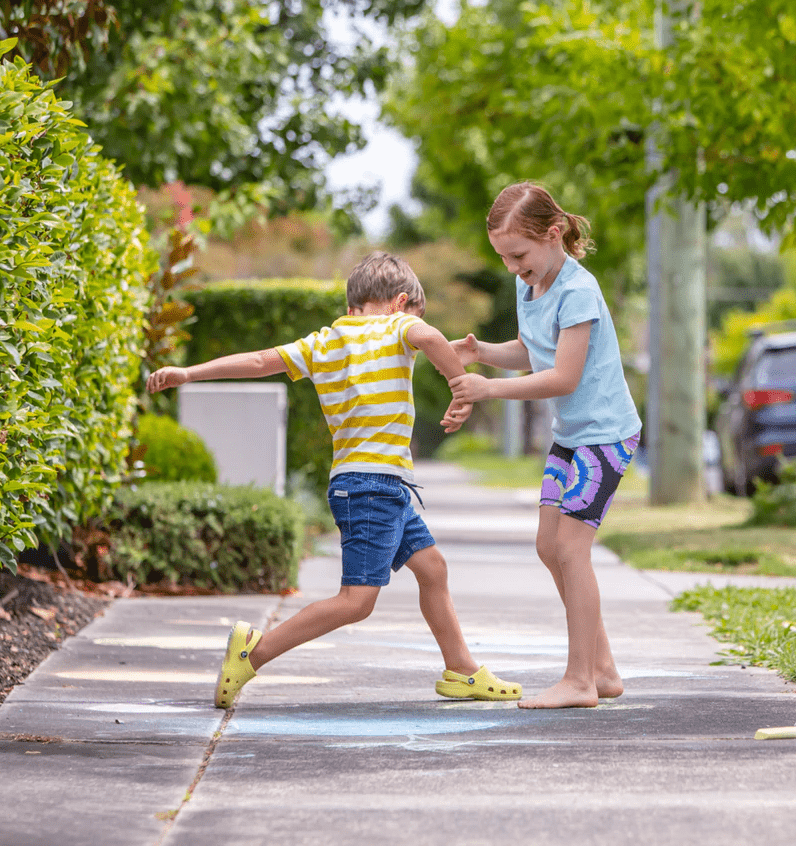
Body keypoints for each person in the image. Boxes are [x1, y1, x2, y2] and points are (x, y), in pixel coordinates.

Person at [146, 251, 521, 709]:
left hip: (375, 485)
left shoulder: (325, 339)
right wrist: (460, 384)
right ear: (401, 301)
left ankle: (461, 670)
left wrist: (190, 373)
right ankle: (254, 653)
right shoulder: (399, 325)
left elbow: (262, 360)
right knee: (356, 601)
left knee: (432, 568)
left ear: (352, 305)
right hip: (373, 487)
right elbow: (425, 335)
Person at [448, 183, 642, 710]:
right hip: (571, 438)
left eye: (519, 255)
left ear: (553, 235)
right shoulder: (529, 284)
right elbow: (533, 353)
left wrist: (488, 389)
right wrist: (481, 353)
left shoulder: (578, 291)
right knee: (547, 546)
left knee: (572, 550)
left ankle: (580, 681)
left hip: (605, 435)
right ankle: (602, 670)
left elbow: (562, 376)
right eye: (504, 258)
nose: (512, 267)